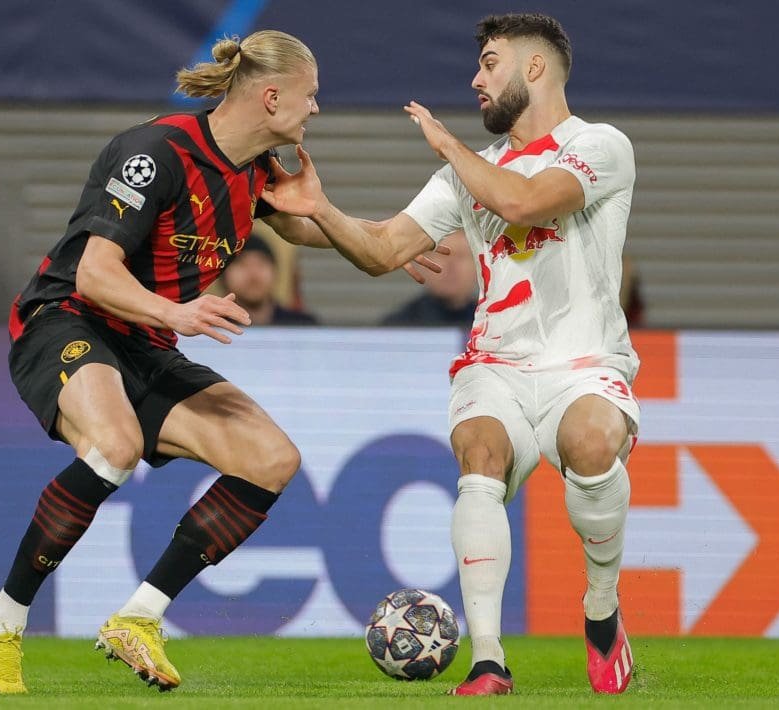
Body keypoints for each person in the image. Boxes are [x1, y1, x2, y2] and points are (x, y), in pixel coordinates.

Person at [261, 12, 639, 696]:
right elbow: (382, 249)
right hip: (495, 365)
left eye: (489, 64)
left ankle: (601, 609)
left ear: (534, 68)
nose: (475, 80)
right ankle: (489, 659)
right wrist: (312, 209)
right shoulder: (469, 173)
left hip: (584, 364)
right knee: (479, 452)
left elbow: (524, 202)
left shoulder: (600, 146)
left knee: (590, 443)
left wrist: (446, 145)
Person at [0, 30, 331, 694]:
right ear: (272, 97)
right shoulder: (155, 152)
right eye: (310, 97)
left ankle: (139, 617)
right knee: (113, 445)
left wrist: (401, 236)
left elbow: (353, 239)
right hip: (67, 319)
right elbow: (96, 276)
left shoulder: (257, 175)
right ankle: (0, 623)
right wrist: (178, 315)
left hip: (147, 340)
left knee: (272, 459)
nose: (315, 111)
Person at [380, 230, 477, 329]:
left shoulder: (491, 325)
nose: (451, 266)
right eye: (442, 255)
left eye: (460, 256)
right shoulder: (396, 329)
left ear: (478, 265)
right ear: (423, 264)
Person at [220, 233, 319, 325]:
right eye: (242, 264)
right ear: (224, 274)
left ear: (275, 271)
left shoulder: (302, 326)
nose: (253, 274)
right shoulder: (211, 328)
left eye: (261, 264)